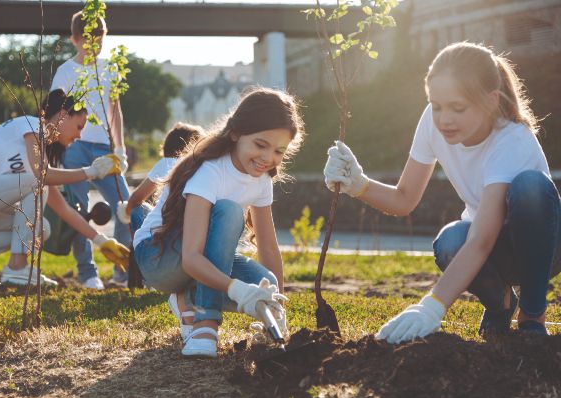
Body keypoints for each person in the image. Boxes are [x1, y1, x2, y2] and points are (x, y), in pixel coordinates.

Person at [324, 41, 559, 344]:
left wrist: (431, 305)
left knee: (531, 187)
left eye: (457, 108)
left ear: (490, 101)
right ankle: (501, 305)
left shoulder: (512, 140)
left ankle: (532, 314)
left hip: (545, 247)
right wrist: (359, 185)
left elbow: (482, 239)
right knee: (450, 241)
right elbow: (404, 199)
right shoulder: (433, 123)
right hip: (491, 249)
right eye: (436, 106)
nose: (444, 118)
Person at [133, 88, 304, 358]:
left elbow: (269, 250)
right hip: (158, 257)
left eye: (278, 151)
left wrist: (276, 307)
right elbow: (191, 258)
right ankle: (205, 323)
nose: (268, 158)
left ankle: (187, 298)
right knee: (228, 211)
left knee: (265, 282)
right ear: (236, 133)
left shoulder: (261, 180)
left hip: (201, 259)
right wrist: (237, 290)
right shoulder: (211, 171)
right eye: (260, 145)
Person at [0, 89, 130, 286]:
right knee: (38, 183)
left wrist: (101, 241)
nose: (79, 136)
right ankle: (17, 268)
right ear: (63, 116)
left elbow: (64, 210)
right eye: (79, 126)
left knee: (41, 228)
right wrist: (92, 171)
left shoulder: (35, 161)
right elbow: (42, 176)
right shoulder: (31, 125)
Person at [50, 10, 130, 290]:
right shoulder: (65, 72)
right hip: (74, 147)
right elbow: (55, 114)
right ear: (74, 39)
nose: (94, 43)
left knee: (125, 206)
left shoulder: (111, 68)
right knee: (78, 209)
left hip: (105, 148)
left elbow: (115, 110)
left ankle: (123, 271)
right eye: (87, 38)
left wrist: (120, 149)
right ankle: (87, 273)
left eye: (99, 37)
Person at [116, 122, 204, 289]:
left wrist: (125, 212)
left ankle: (140, 266)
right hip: (189, 242)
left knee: (137, 210)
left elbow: (136, 199)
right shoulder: (202, 167)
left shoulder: (168, 163)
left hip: (161, 241)